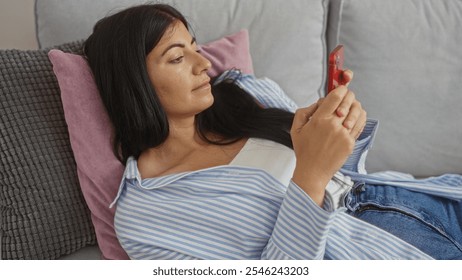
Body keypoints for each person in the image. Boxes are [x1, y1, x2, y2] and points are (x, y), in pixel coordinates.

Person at [83, 3, 462, 260]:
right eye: (178, 57)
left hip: (427, 202)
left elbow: (345, 176)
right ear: (133, 83)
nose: (203, 63)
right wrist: (310, 176)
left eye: (195, 47)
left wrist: (342, 129)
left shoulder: (245, 93)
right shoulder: (145, 216)